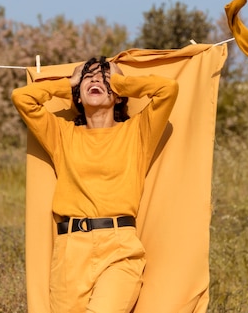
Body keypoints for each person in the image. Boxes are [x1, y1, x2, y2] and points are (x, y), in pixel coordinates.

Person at [11, 56, 178, 313]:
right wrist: (70, 82)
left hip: (119, 248)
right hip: (69, 252)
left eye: (104, 78)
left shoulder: (137, 132)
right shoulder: (62, 134)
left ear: (119, 95)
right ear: (78, 95)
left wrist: (122, 81)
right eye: (88, 78)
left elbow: (168, 90)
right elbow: (22, 98)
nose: (96, 81)